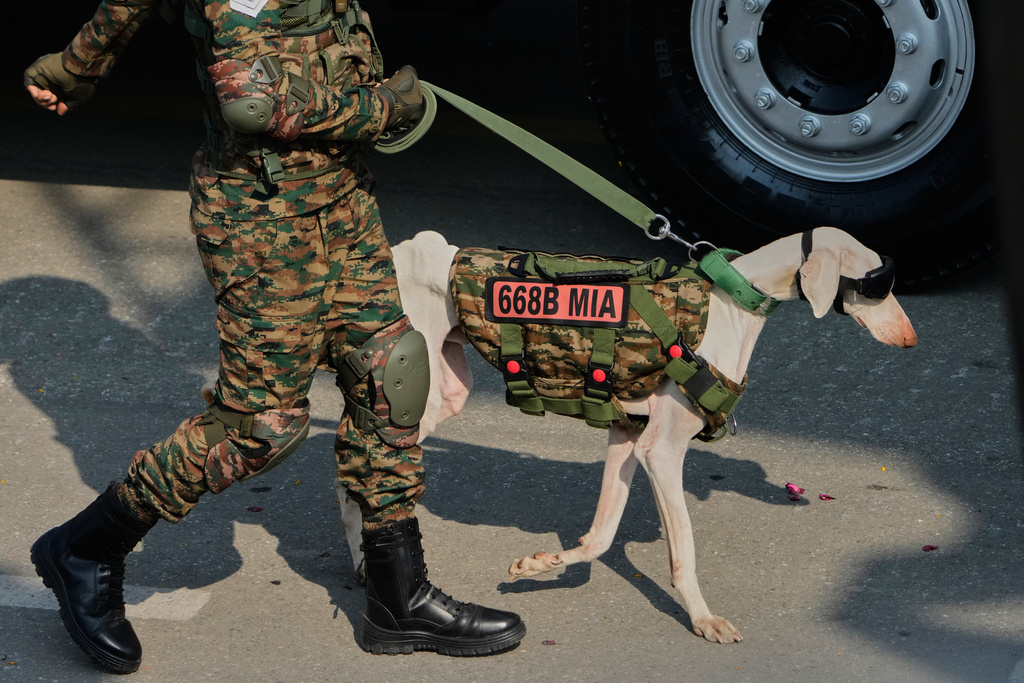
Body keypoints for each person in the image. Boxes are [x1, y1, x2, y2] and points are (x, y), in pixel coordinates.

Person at [24, 0, 524, 674]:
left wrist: (73, 66)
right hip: (260, 221)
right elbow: (252, 103)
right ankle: (85, 546)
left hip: (341, 197)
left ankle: (397, 595)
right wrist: (386, 109)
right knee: (261, 425)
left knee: (391, 374)